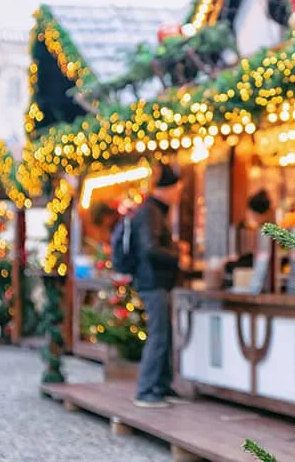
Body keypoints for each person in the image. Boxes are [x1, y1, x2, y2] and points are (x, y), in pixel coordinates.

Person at [130, 164, 189, 408]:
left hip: (157, 282)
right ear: (166, 189)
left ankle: (162, 386)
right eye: (176, 189)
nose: (178, 195)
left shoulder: (154, 212)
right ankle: (146, 390)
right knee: (158, 335)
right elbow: (150, 248)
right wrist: (178, 255)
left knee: (163, 334)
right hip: (153, 282)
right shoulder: (150, 212)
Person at [224, 189, 274, 289]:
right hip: (261, 268)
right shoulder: (264, 227)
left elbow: (262, 258)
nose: (250, 216)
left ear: (256, 213)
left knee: (230, 266)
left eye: (251, 213)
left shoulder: (268, 229)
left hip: (264, 272)